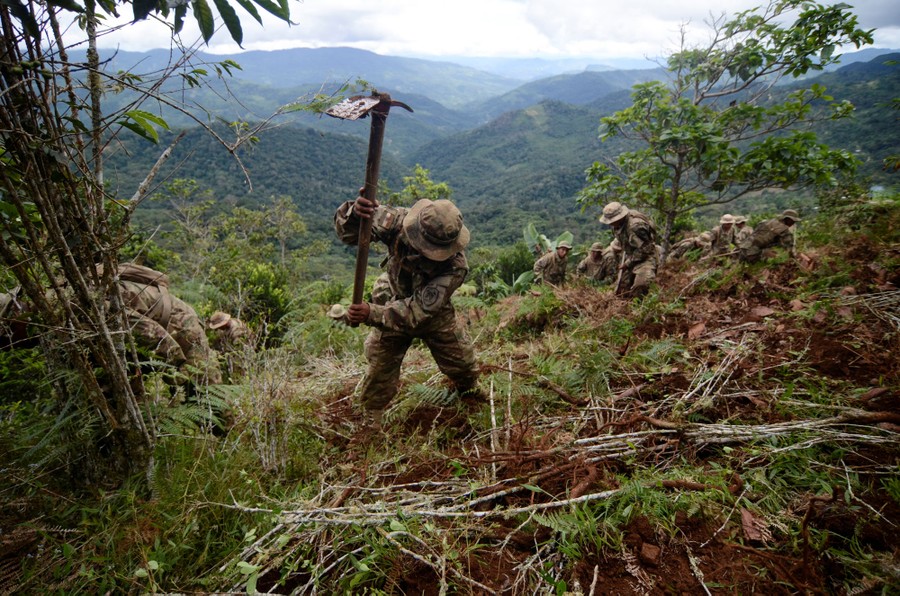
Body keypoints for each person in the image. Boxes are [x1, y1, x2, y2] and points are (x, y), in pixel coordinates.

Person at [334, 192, 480, 431]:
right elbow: (349, 234)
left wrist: (371, 313)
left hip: (432, 313)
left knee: (463, 363)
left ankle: (469, 393)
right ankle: (372, 420)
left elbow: (417, 312)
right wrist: (354, 214)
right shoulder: (397, 221)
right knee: (380, 366)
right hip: (393, 297)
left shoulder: (455, 267)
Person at [116, 263, 222, 386]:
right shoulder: (98, 296)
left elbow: (156, 336)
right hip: (162, 321)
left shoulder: (106, 304)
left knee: (205, 382)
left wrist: (172, 373)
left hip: (181, 322)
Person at [598, 202, 658, 298]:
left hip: (646, 257)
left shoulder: (636, 226)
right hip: (629, 255)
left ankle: (639, 307)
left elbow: (647, 248)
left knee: (641, 285)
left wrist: (628, 263)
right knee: (621, 289)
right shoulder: (617, 226)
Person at [738, 209, 802, 263]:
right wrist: (794, 259)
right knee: (776, 257)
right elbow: (789, 249)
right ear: (789, 220)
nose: (793, 223)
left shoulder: (765, 222)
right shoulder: (784, 231)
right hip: (753, 254)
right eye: (793, 221)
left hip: (742, 250)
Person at [208, 311, 250, 380]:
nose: (218, 329)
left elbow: (238, 353)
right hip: (234, 354)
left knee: (240, 376)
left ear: (223, 324)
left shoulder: (237, 331)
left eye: (219, 327)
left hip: (241, 356)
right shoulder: (228, 326)